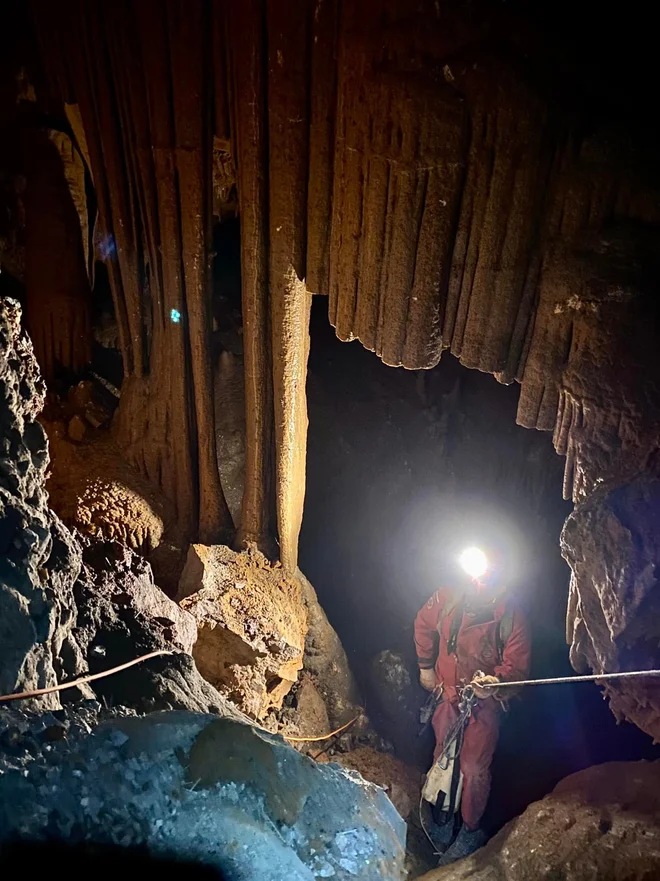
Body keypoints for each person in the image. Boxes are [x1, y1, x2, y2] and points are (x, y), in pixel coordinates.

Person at [414, 551, 531, 864]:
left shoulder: (510, 616)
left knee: (474, 768)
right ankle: (441, 813)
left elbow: (517, 669)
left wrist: (495, 681)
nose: (480, 584)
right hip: (447, 694)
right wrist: (426, 666)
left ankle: (470, 830)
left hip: (484, 705)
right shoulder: (448, 598)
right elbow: (423, 624)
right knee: (443, 755)